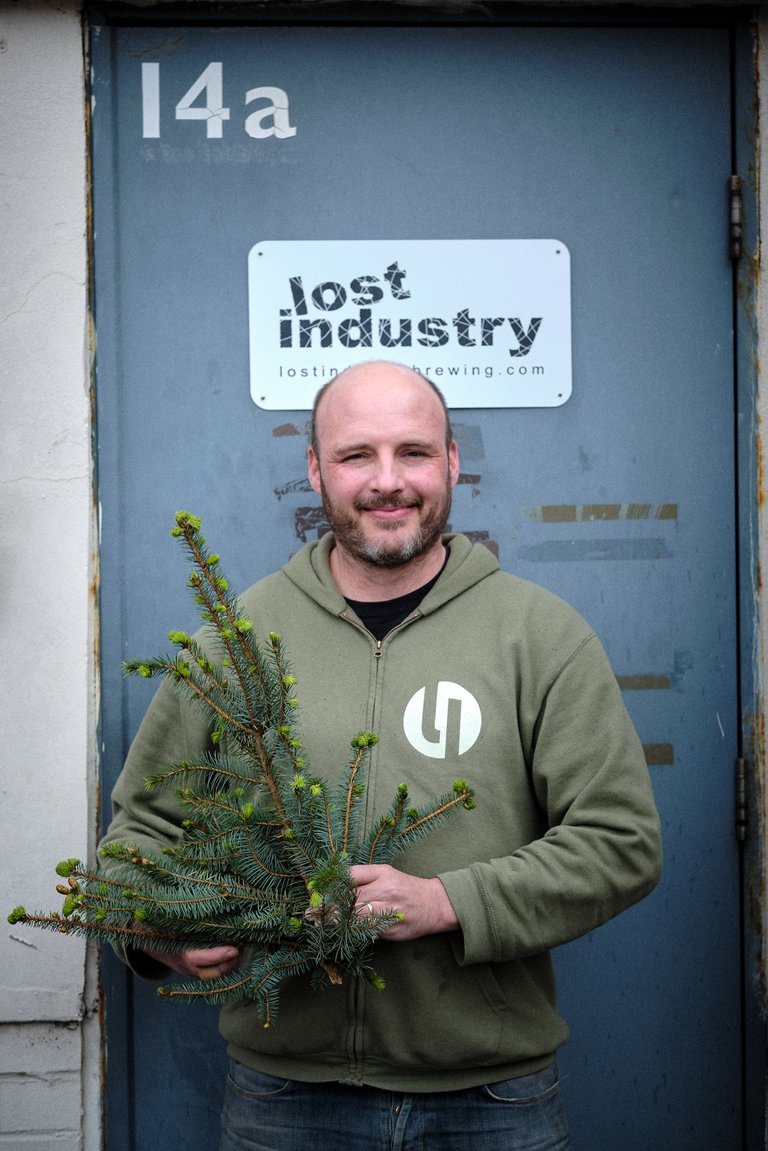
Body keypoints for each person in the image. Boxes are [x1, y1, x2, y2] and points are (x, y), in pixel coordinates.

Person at [101, 360, 662, 1151]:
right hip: (283, 1101)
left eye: (415, 453)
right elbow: (135, 842)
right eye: (356, 454)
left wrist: (447, 901)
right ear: (315, 470)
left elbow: (622, 844)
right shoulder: (235, 639)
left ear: (454, 462)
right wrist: (158, 929)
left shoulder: (541, 635)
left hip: (493, 1100)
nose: (387, 481)